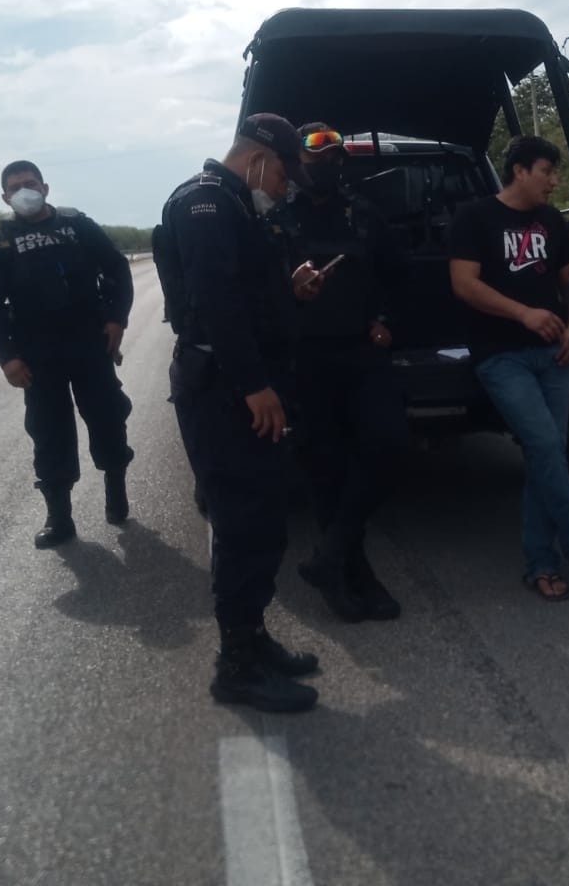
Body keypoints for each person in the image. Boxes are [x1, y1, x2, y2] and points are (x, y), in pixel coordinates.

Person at [157, 114, 327, 713]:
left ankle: (254, 638)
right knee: (241, 523)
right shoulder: (206, 204)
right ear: (257, 159)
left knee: (264, 517)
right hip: (223, 390)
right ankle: (236, 666)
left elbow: (249, 290)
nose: (284, 187)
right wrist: (255, 384)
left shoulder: (239, 205)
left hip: (243, 384)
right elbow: (215, 301)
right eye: (282, 173)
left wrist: (290, 287)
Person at [449, 134, 569, 602]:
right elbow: (464, 285)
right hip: (501, 355)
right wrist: (523, 313)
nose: (554, 181)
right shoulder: (475, 217)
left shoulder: (551, 221)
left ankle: (541, 562)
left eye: (555, 172)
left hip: (555, 356)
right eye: (546, 171)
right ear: (519, 171)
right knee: (547, 443)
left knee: (543, 454)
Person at [287, 124, 411, 623]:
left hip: (362, 355)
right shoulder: (278, 218)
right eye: (316, 158)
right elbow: (254, 290)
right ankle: (349, 574)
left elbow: (399, 276)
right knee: (326, 471)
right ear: (298, 162)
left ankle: (330, 552)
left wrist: (388, 322)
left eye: (335, 157)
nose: (327, 166)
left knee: (389, 447)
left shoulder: (363, 213)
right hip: (306, 361)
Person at [0, 160, 135, 548]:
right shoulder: (0, 241)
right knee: (49, 433)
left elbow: (116, 268)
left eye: (30, 184)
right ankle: (60, 519)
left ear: (45, 188)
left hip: (89, 343)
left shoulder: (76, 226)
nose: (24, 192)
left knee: (107, 417)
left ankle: (116, 489)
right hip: (37, 354)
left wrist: (117, 318)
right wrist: (7, 357)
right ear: (5, 197)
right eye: (15, 188)